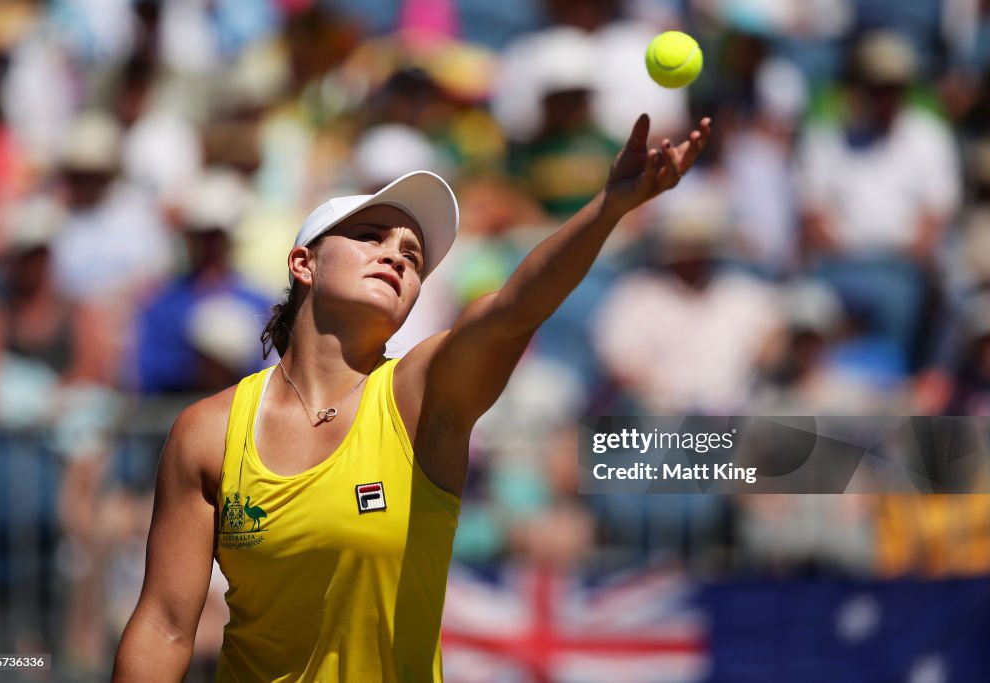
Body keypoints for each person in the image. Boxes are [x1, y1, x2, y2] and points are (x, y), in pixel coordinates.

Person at [111, 112, 711, 682]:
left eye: (412, 255)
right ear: (304, 263)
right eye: (372, 236)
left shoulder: (422, 394)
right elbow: (164, 625)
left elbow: (512, 311)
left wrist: (609, 208)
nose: (396, 254)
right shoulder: (207, 431)